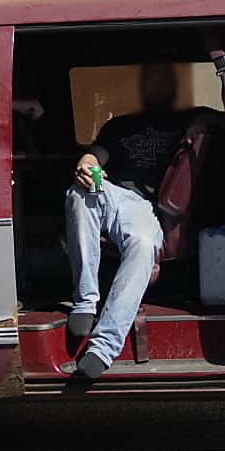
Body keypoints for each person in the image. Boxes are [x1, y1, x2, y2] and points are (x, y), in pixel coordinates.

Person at [64, 61, 196, 379]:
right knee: (77, 194)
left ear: (174, 85)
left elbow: (222, 120)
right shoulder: (118, 125)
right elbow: (97, 154)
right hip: (112, 193)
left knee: (143, 243)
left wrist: (202, 124)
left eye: (162, 78)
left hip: (148, 207)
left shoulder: (187, 117)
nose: (156, 84)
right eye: (150, 78)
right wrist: (86, 161)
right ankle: (85, 301)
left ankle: (104, 346)